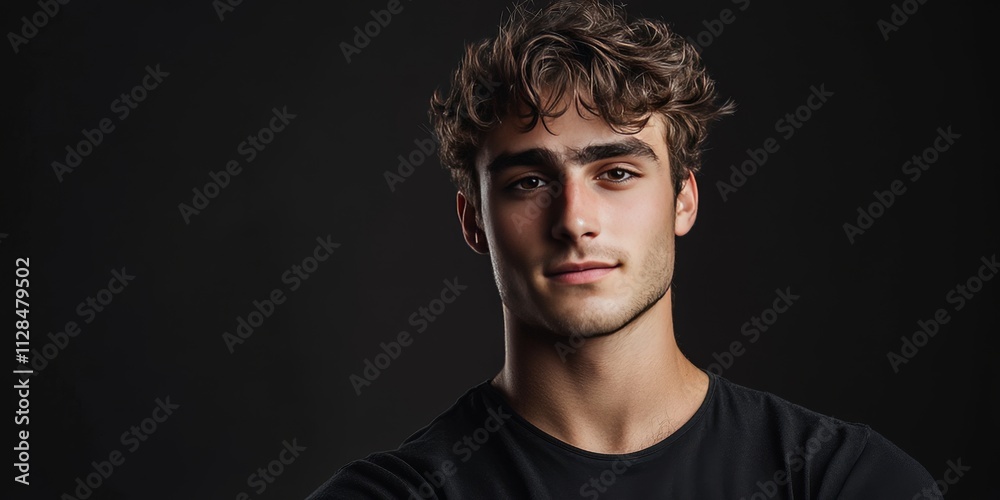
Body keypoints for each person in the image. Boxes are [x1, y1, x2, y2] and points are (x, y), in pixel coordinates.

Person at [309, 1, 937, 498]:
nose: (574, 220)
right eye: (529, 182)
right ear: (473, 220)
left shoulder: (839, 481)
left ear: (683, 200)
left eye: (616, 172)